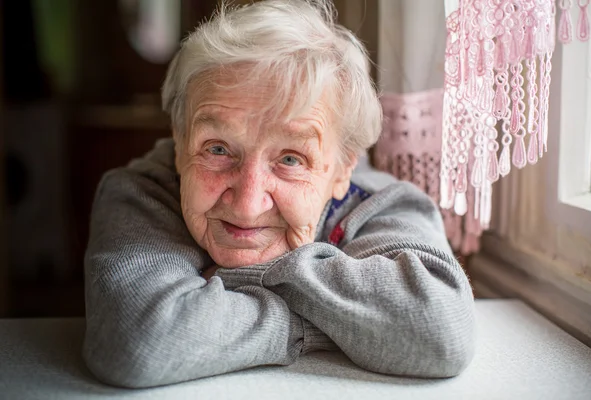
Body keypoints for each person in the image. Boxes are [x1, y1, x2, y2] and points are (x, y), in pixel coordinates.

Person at [82, 0, 475, 388]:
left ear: (342, 169)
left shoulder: (378, 203)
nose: (248, 203)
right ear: (179, 141)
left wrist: (228, 286)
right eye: (218, 149)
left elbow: (441, 330)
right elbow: (139, 343)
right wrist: (344, 325)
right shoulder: (142, 191)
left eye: (290, 158)